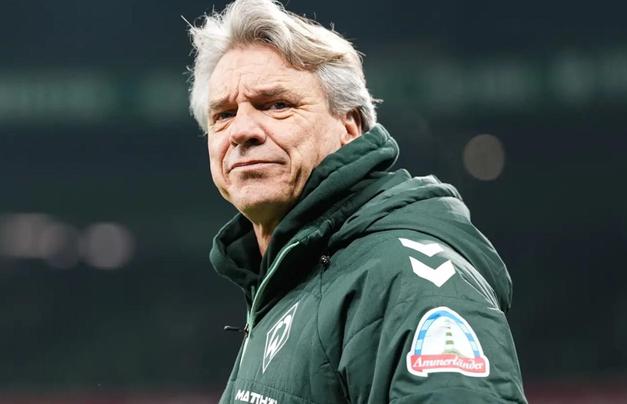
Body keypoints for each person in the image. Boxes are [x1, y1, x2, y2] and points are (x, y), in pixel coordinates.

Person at [187, 0, 527, 402]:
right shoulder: (288, 278)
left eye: (276, 105)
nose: (241, 130)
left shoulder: (410, 280)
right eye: (223, 114)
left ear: (349, 125)